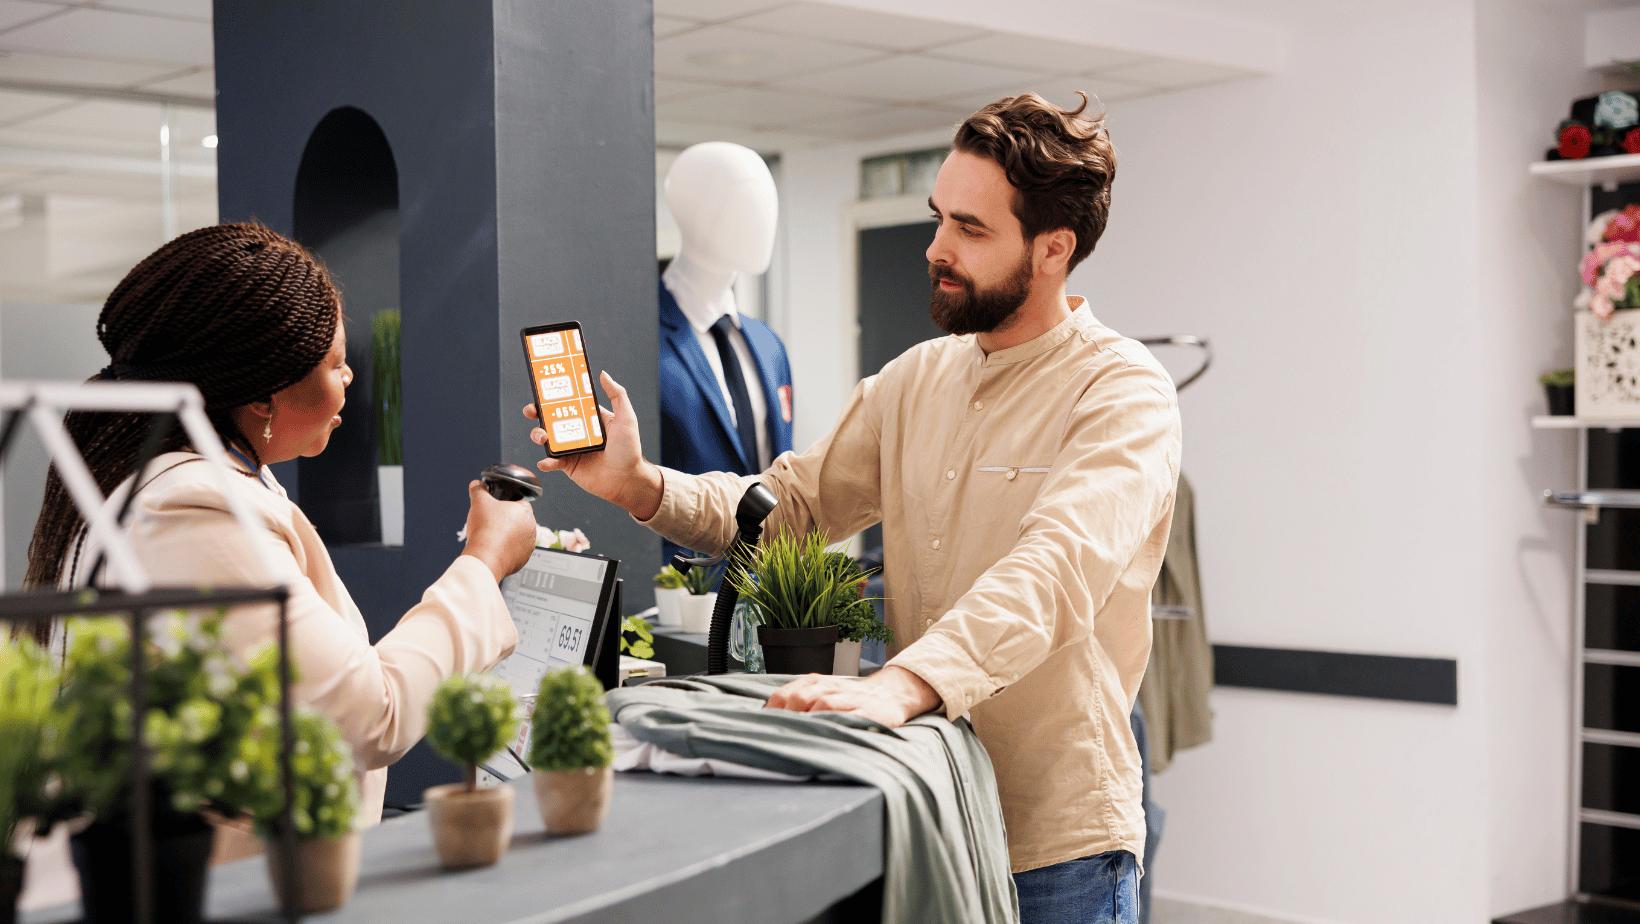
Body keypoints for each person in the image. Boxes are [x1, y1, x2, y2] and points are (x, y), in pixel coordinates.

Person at [529, 93, 1179, 922]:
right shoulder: (915, 380)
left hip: (1054, 846)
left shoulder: (1122, 391)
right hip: (935, 812)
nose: (938, 248)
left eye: (972, 230)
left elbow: (1055, 568)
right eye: (939, 217)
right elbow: (786, 505)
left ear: (1054, 248)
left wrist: (906, 683)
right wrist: (636, 484)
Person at [26, 223, 539, 829]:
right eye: (335, 364)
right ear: (263, 397)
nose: (348, 379)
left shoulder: (199, 477)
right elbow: (373, 714)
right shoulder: (191, 508)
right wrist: (483, 561)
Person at [658, 141, 794, 564]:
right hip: (678, 588)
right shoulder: (641, 341)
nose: (760, 219)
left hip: (766, 586)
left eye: (765, 201)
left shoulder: (768, 345)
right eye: (740, 201)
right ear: (688, 209)